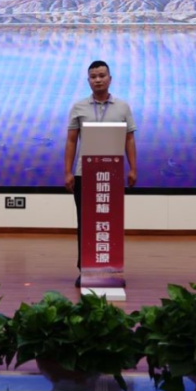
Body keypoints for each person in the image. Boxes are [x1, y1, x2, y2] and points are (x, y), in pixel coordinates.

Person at [64, 60, 138, 287]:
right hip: (83, 174)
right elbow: (71, 140)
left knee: (110, 222)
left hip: (111, 175)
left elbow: (129, 139)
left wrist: (133, 168)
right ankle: (85, 269)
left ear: (110, 79)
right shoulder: (79, 107)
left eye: (102, 75)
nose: (98, 80)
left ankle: (112, 269)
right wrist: (67, 171)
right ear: (88, 80)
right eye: (93, 76)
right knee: (85, 222)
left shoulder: (122, 107)